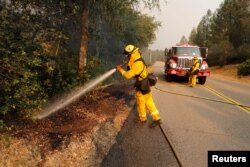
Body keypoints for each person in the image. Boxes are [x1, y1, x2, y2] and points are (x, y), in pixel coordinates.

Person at [116, 44, 161, 128]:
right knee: (147, 101)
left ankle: (145, 118)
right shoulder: (136, 58)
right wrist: (126, 62)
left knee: (142, 101)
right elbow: (131, 64)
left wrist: (120, 70)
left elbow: (128, 75)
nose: (127, 56)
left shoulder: (137, 63)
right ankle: (153, 118)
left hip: (142, 84)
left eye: (128, 55)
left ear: (131, 53)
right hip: (144, 82)